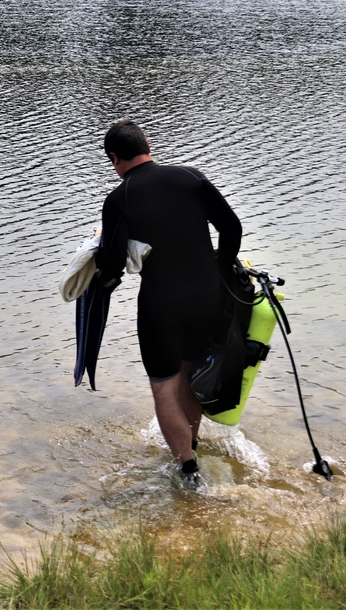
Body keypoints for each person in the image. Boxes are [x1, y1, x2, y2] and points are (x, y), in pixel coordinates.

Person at [93, 120, 242, 484]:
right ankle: (191, 443)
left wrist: (98, 250)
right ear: (147, 145)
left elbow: (112, 264)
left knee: (164, 385)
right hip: (208, 295)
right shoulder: (190, 177)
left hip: (163, 302)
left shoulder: (119, 199)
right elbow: (232, 228)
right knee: (191, 376)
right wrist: (220, 270)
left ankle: (188, 472)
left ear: (115, 158)